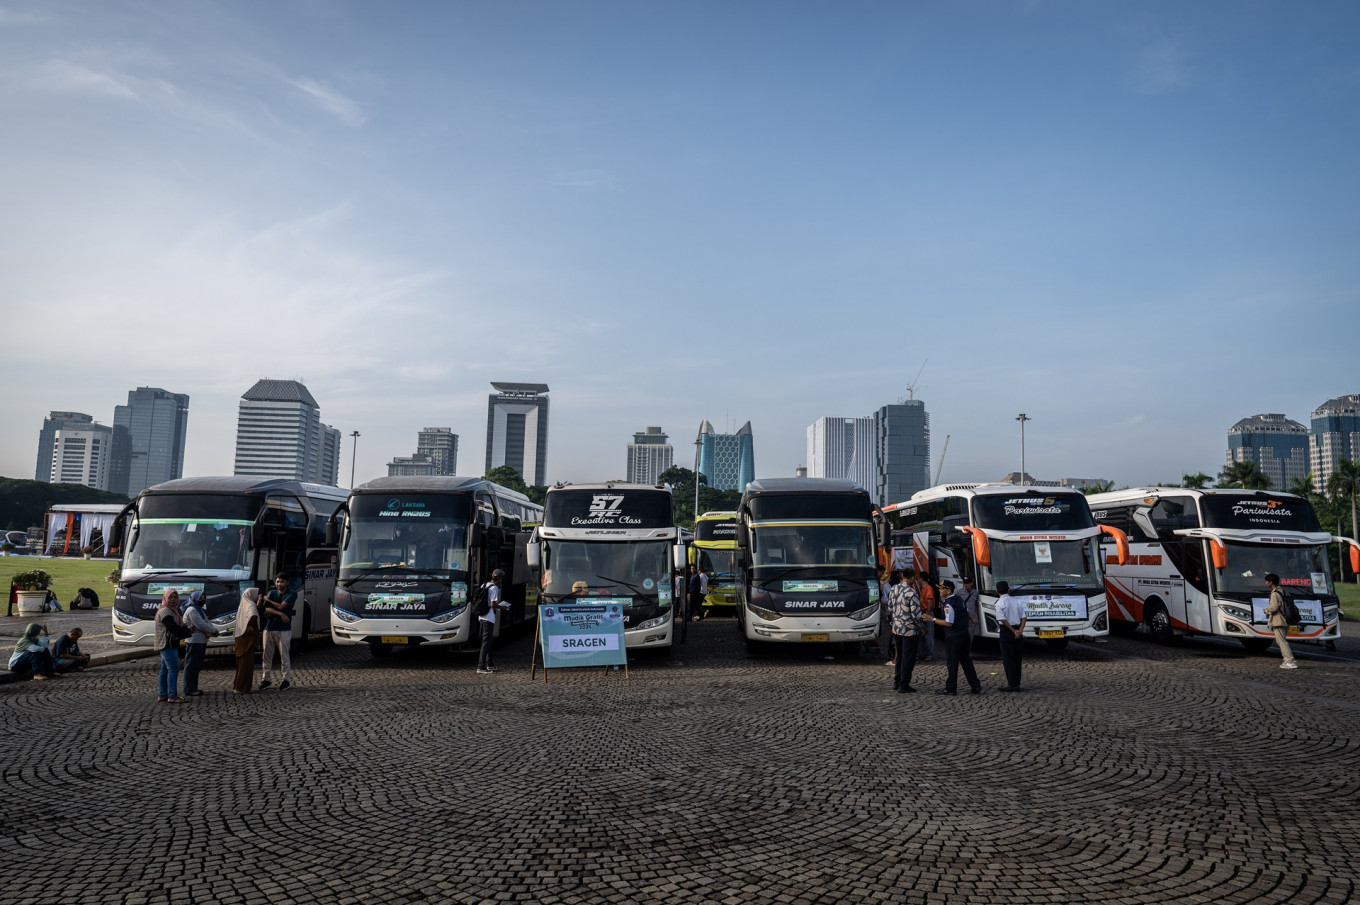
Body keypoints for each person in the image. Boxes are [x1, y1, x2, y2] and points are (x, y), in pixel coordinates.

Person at [933, 580, 981, 695]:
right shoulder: (959, 599)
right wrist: (972, 620)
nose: (939, 590)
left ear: (948, 590)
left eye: (941, 588)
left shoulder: (949, 603)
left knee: (952, 662)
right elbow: (967, 611)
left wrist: (933, 620)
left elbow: (949, 623)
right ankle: (975, 685)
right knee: (966, 661)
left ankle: (951, 688)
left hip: (954, 637)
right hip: (964, 635)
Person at [885, 570, 923, 693]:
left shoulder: (894, 588)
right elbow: (916, 614)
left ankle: (897, 682)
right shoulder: (911, 593)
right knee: (908, 658)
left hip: (897, 628)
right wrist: (922, 627)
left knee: (900, 656)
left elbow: (889, 608)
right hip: (909, 630)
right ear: (912, 578)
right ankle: (904, 684)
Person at [153, 588, 191, 703]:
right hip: (167, 644)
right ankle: (172, 696)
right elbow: (172, 628)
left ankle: (163, 694)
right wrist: (188, 632)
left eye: (175, 597)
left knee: (165, 670)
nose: (173, 600)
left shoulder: (172, 611)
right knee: (173, 668)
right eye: (170, 597)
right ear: (165, 598)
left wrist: (186, 629)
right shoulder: (165, 611)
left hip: (168, 644)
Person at [259, 574, 295, 690]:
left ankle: (285, 679)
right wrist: (281, 614)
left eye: (282, 582)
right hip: (269, 628)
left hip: (284, 629)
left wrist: (270, 602)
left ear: (287, 582)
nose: (279, 584)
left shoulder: (292, 594)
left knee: (284, 655)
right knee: (266, 656)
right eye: (278, 581)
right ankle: (266, 679)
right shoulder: (272, 593)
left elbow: (281, 606)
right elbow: (266, 608)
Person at [181, 590, 219, 696]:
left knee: (196, 665)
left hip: (200, 641)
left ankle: (193, 687)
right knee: (191, 665)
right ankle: (189, 688)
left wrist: (213, 629)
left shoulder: (199, 610)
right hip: (194, 641)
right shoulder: (192, 609)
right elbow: (200, 624)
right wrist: (213, 631)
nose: (203, 600)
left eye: (204, 598)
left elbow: (206, 621)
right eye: (200, 598)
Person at [995, 580, 1026, 691]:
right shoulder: (1016, 601)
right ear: (1008, 590)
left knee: (1008, 658)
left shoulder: (999, 603)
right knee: (1017, 657)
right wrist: (1020, 631)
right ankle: (1016, 682)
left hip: (1007, 631)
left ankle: (1012, 684)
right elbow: (1023, 617)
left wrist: (1013, 631)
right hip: (1018, 630)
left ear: (997, 591)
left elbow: (1002, 620)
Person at [476, 569, 509, 674]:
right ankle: (481, 667)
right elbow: (492, 604)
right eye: (501, 578)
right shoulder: (494, 588)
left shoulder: (484, 585)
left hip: (481, 616)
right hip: (488, 617)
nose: (501, 580)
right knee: (486, 642)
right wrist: (502, 607)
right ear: (499, 579)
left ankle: (490, 664)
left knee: (489, 641)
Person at [1264, 573, 1298, 670]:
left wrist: (1266, 610)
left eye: (1267, 581)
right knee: (1282, 640)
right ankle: (1288, 660)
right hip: (1286, 619)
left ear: (1271, 582)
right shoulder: (1283, 591)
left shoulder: (1275, 594)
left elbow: (1274, 607)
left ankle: (1289, 661)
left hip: (1279, 620)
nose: (1266, 583)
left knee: (1282, 641)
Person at [233, 587, 262, 693]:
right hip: (248, 641)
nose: (258, 596)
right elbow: (253, 615)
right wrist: (250, 625)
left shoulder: (244, 604)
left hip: (241, 639)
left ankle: (238, 686)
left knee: (241, 665)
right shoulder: (251, 605)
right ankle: (242, 687)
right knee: (246, 665)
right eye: (257, 594)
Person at [912, 571, 937, 661]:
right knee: (922, 634)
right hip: (922, 613)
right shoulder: (922, 589)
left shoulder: (928, 588)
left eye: (918, 578)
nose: (918, 580)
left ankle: (930, 654)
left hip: (927, 613)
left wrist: (927, 614)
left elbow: (930, 602)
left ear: (921, 578)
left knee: (928, 635)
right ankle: (922, 654)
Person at [959, 577, 980, 644]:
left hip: (972, 618)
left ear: (971, 583)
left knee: (970, 638)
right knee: (962, 638)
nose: (965, 585)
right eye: (964, 583)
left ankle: (966, 653)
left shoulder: (975, 592)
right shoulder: (959, 592)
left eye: (967, 583)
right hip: (963, 618)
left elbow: (976, 605)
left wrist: (976, 617)